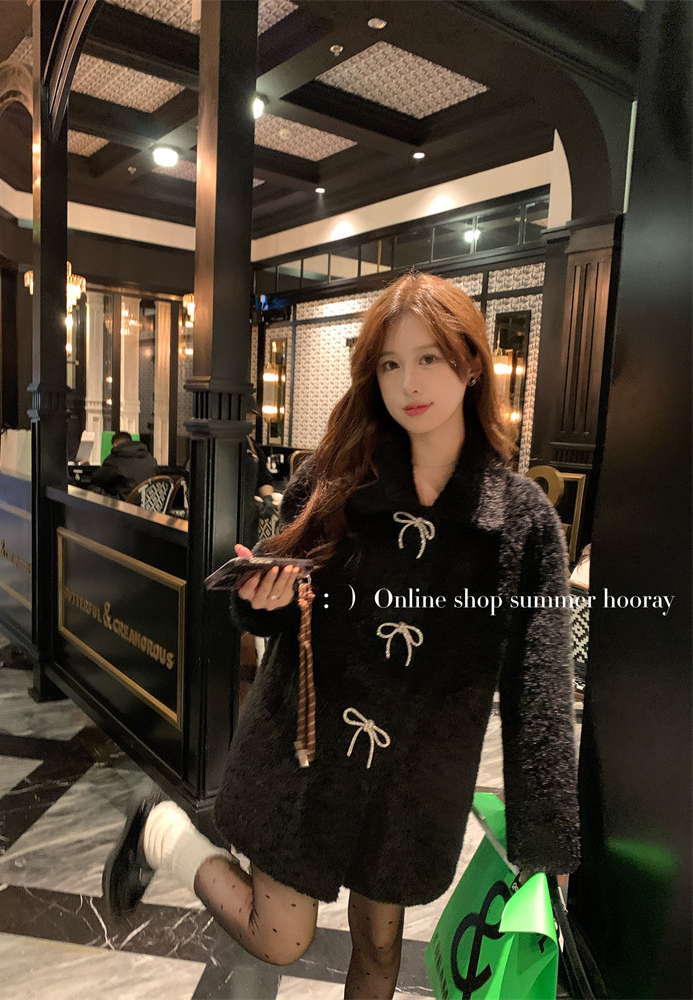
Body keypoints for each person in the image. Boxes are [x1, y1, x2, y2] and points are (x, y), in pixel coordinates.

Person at [103, 272, 580, 999]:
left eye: (429, 358)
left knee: (380, 946)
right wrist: (263, 601)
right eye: (390, 363)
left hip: (417, 778)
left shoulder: (520, 522)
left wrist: (545, 845)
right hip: (307, 753)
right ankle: (161, 831)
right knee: (280, 936)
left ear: (472, 364)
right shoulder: (332, 481)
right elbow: (274, 606)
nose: (408, 383)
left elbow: (537, 692)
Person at [242, 408, 276, 548]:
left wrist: (267, 498)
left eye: (253, 417)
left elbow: (264, 478)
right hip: (227, 513)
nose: (251, 421)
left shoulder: (253, 445)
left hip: (250, 516)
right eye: (248, 416)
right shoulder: (224, 443)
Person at [91, 431, 158, 500]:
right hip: (149, 502)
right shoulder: (150, 459)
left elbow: (97, 479)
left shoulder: (114, 460)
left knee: (94, 489)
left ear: (115, 445)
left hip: (126, 503)